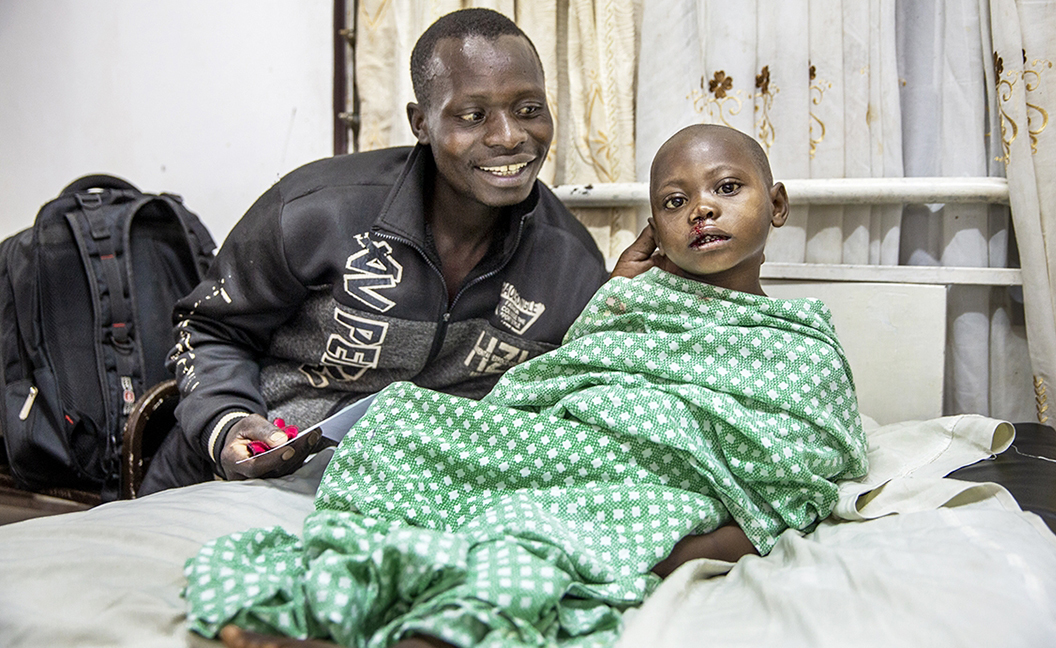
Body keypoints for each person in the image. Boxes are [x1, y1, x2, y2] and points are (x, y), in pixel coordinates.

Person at [185, 124, 869, 648]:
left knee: (533, 533)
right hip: (567, 449)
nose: (702, 211)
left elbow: (803, 465)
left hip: (656, 484)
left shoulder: (798, 341)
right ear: (654, 227)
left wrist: (686, 547)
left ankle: (433, 623)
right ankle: (353, 595)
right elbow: (567, 376)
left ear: (775, 204)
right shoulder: (632, 299)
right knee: (399, 420)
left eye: (727, 188)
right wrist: (616, 294)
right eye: (674, 201)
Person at [139, 8, 609, 494]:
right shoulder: (314, 213)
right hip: (242, 479)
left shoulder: (571, 266)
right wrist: (229, 423)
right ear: (421, 123)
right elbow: (208, 329)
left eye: (529, 109)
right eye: (473, 116)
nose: (509, 137)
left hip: (404, 500)